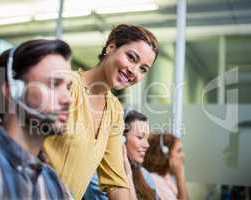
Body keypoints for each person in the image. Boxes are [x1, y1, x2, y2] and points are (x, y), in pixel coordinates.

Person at [43, 24, 159, 200]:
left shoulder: (114, 111)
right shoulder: (66, 84)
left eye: (143, 69)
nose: (133, 71)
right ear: (111, 47)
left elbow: (115, 182)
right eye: (131, 57)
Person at [0, 39, 74, 199]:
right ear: (12, 91)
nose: (68, 99)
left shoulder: (53, 182)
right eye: (53, 84)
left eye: (68, 87)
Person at [83, 110, 158, 200]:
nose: (147, 145)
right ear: (121, 140)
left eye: (147, 139)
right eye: (140, 137)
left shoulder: (145, 175)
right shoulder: (98, 177)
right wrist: (127, 175)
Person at [143, 133, 190, 200]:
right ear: (165, 154)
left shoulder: (169, 177)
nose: (183, 156)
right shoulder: (154, 180)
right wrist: (180, 177)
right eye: (179, 151)